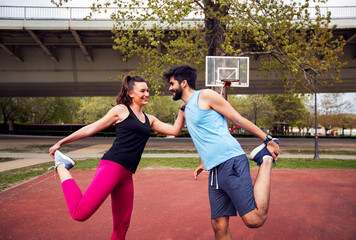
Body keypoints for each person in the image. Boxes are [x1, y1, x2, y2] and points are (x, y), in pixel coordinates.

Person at [49, 75, 185, 240]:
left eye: (147, 90)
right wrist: (62, 142)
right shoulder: (121, 110)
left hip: (127, 175)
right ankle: (62, 166)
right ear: (130, 93)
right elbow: (92, 128)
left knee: (122, 226)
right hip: (111, 167)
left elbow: (176, 130)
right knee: (79, 213)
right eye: (142, 90)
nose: (147, 93)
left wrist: (182, 110)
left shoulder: (150, 120)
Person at [163, 65, 280, 239]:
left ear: (184, 83)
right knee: (218, 224)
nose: (170, 88)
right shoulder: (186, 108)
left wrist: (267, 139)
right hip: (215, 170)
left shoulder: (205, 96)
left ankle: (265, 160)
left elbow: (237, 118)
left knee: (254, 219)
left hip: (230, 160)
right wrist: (203, 161)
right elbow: (199, 136)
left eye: (172, 83)